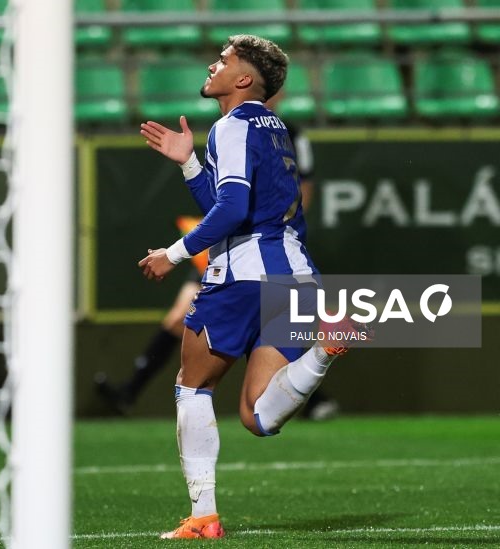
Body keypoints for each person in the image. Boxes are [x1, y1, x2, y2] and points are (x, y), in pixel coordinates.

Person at [134, 35, 367, 539]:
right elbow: (230, 196)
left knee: (192, 387)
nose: (212, 65)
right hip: (297, 276)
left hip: (243, 275)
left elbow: (234, 210)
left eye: (223, 61)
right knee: (258, 417)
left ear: (242, 79)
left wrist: (172, 255)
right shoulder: (273, 127)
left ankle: (204, 517)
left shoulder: (232, 125)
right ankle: (325, 350)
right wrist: (188, 162)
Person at [94, 91, 340, 421]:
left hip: (256, 245)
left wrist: (281, 229)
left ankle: (132, 391)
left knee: (214, 355)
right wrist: (189, 164)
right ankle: (131, 390)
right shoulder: (231, 128)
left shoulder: (284, 133)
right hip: (224, 243)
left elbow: (298, 190)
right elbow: (223, 200)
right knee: (196, 325)